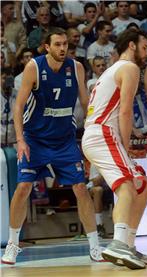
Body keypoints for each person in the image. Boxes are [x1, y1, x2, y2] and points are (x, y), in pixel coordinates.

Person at [1, 28, 105, 264]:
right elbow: (18, 108)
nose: (62, 48)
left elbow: (86, 103)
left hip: (64, 140)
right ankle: (12, 245)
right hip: (35, 139)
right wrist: (20, 140)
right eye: (57, 44)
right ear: (47, 47)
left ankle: (95, 246)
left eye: (65, 44)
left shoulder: (76, 67)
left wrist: (94, 127)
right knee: (23, 188)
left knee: (80, 187)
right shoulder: (34, 67)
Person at [81, 28, 147, 270]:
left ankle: (129, 246)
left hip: (96, 133)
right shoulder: (129, 68)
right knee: (126, 186)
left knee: (142, 185)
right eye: (145, 46)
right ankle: (118, 244)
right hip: (104, 133)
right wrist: (124, 145)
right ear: (132, 45)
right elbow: (125, 111)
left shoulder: (112, 70)